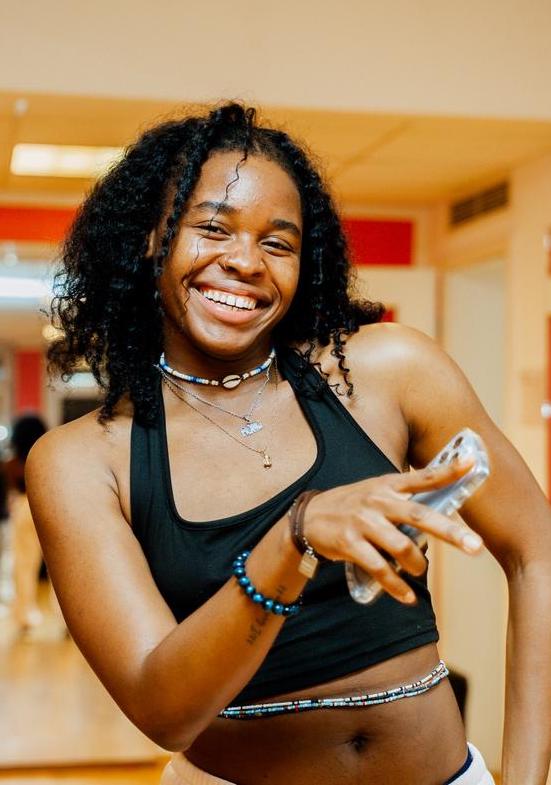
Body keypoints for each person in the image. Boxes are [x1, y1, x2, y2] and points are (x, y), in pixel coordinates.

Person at [25, 103, 551, 785]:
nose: (245, 261)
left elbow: (537, 551)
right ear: (151, 239)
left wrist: (526, 777)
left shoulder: (388, 371)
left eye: (278, 243)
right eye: (212, 228)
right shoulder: (82, 461)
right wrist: (294, 538)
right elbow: (162, 710)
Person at [5, 414, 47, 633]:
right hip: (48, 504)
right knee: (61, 566)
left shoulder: (13, 462)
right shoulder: (46, 455)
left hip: (23, 507)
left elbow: (12, 486)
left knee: (24, 565)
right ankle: (67, 621)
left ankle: (24, 614)